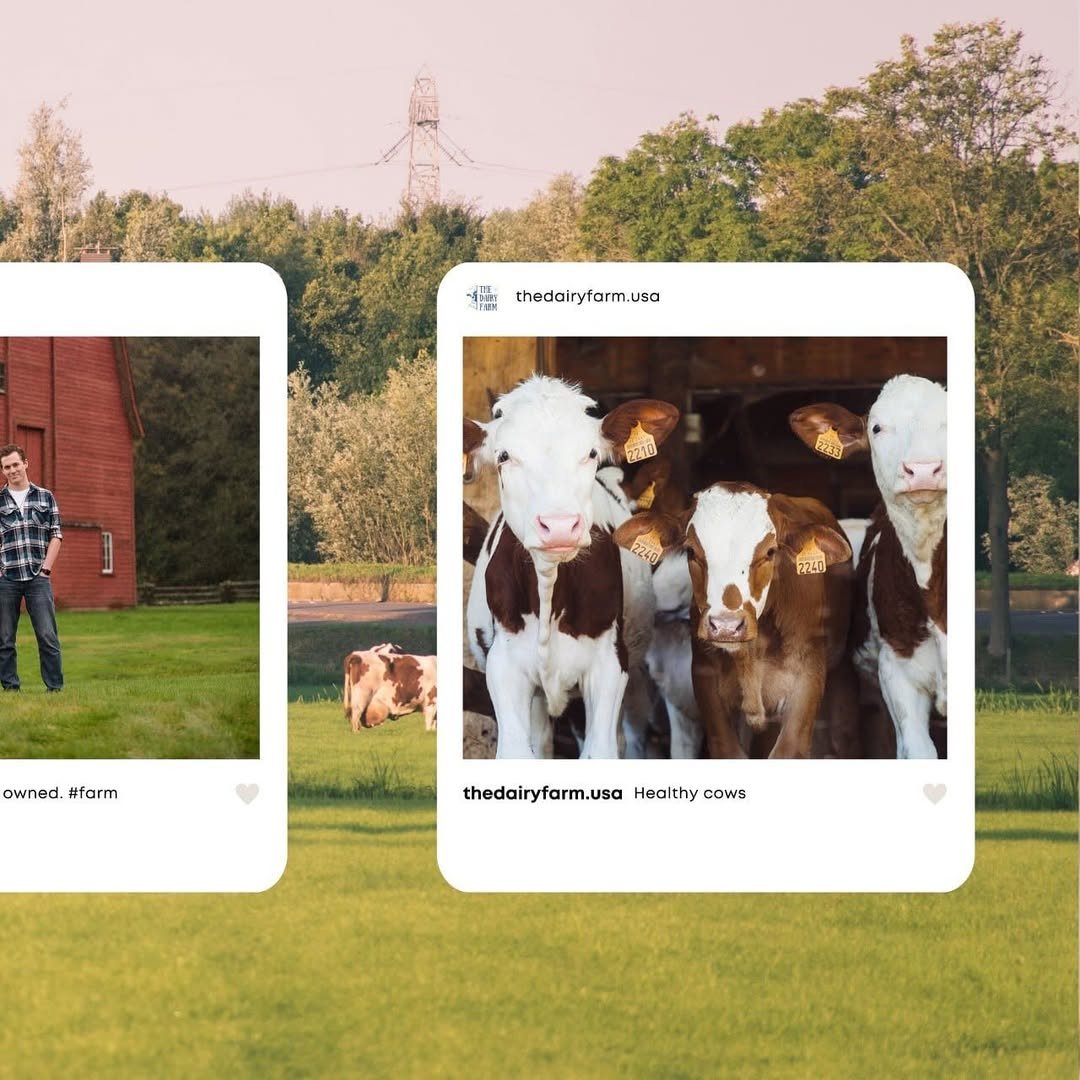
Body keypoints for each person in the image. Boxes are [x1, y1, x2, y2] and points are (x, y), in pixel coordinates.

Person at [0, 445, 64, 692]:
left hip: (38, 577)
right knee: (4, 639)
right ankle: (10, 688)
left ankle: (55, 689)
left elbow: (56, 535)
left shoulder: (45, 497)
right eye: (7, 467)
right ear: (3, 471)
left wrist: (46, 569)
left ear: (25, 463)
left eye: (16, 464)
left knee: (47, 636)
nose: (12, 470)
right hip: (7, 579)